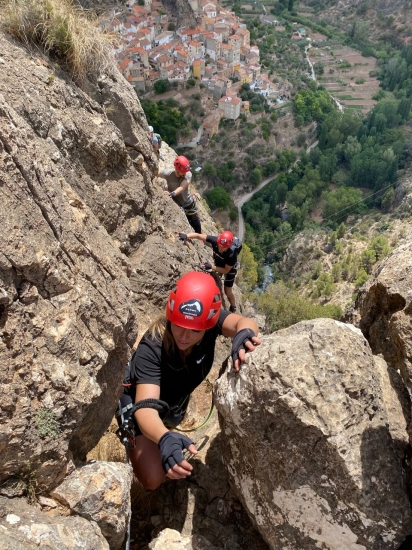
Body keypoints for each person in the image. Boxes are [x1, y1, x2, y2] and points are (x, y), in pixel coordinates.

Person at [117, 271, 260, 490]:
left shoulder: (210, 321)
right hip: (140, 402)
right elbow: (145, 408)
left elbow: (244, 322)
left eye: (194, 331)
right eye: (178, 326)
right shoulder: (152, 346)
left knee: (171, 421)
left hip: (173, 400)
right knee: (153, 479)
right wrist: (164, 438)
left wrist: (245, 333)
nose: (184, 336)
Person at [178, 230, 240, 312]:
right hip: (220, 262)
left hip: (230, 269)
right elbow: (198, 236)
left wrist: (211, 267)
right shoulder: (215, 240)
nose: (220, 248)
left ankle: (233, 306)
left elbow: (225, 270)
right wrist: (186, 235)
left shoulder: (232, 255)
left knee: (227, 291)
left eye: (223, 247)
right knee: (219, 269)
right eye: (219, 245)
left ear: (228, 246)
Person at [160, 156, 202, 233]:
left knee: (195, 221)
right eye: (183, 172)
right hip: (176, 203)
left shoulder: (188, 174)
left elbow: (182, 187)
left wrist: (172, 193)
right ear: (176, 169)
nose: (184, 174)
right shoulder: (167, 174)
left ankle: (199, 235)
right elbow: (156, 173)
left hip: (187, 202)